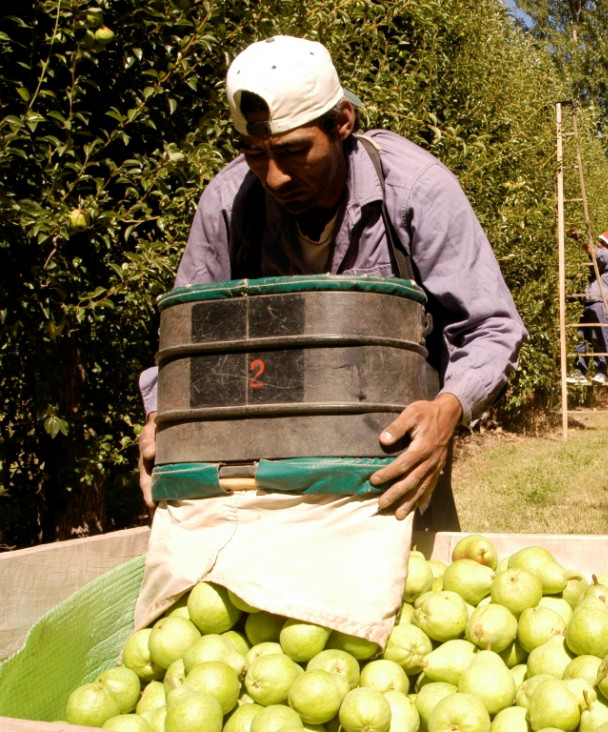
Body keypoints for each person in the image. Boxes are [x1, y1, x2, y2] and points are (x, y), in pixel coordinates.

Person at [131, 35, 526, 644]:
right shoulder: (229, 204)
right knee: (262, 636)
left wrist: (448, 411)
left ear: (342, 121)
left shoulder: (414, 191)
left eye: (293, 151)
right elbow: (188, 343)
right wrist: (166, 417)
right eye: (254, 154)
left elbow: (491, 325)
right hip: (262, 470)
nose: (274, 174)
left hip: (388, 467)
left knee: (406, 626)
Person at [568, 230, 608, 385]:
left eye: (600, 241)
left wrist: (579, 238)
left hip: (601, 304)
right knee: (582, 338)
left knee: (600, 338)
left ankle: (601, 372)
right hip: (588, 304)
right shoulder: (599, 265)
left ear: (606, 245)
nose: (597, 243)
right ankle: (580, 373)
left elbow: (593, 251)